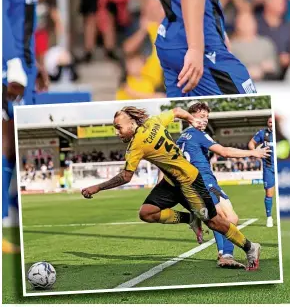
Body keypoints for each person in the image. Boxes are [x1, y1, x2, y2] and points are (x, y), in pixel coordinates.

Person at [82, 106, 265, 270]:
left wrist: (97, 187)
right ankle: (190, 218)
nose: (116, 132)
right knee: (147, 212)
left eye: (118, 127)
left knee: (214, 221)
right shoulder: (154, 122)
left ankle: (250, 247)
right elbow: (177, 111)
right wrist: (190, 118)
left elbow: (125, 176)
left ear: (131, 123)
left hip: (190, 182)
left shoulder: (136, 145)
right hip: (171, 182)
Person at [2, 0, 51, 253]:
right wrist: (13, 67)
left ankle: (13, 222)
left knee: (16, 146)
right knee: (9, 143)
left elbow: (24, 21)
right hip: (10, 65)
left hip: (24, 63)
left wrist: (37, 64)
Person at [176, 101, 269, 268]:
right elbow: (225, 151)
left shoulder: (182, 137)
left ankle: (223, 252)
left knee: (218, 218)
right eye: (201, 116)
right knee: (230, 218)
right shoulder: (198, 134)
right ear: (190, 117)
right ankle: (227, 255)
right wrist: (253, 152)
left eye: (207, 117)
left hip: (191, 183)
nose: (204, 120)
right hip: (204, 182)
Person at [248, 117, 275, 228]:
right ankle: (269, 217)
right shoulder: (262, 133)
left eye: (273, 121)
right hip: (268, 167)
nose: (272, 124)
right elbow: (251, 143)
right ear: (267, 123)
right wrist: (256, 153)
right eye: (270, 122)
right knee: (269, 194)